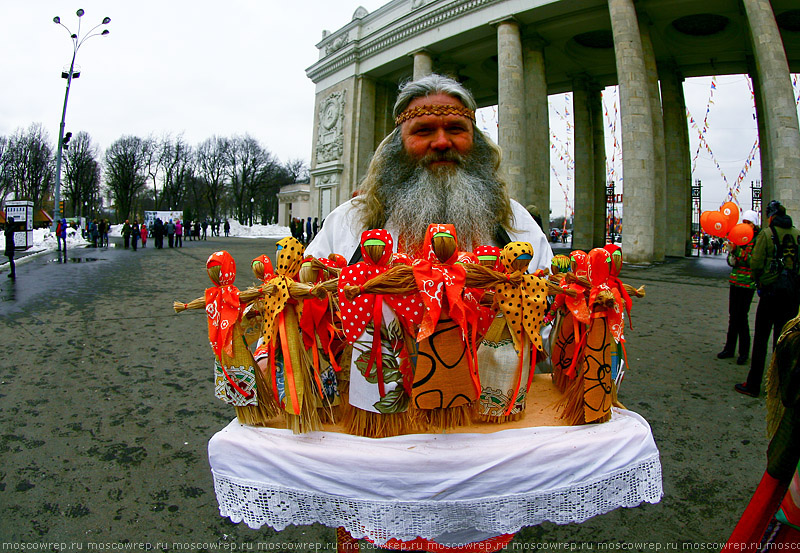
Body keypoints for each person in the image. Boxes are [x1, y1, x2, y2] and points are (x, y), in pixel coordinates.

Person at [306, 73, 552, 272]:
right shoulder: (347, 222)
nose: (442, 142)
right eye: (423, 131)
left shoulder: (516, 222)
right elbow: (300, 312)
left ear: (476, 141)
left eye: (456, 129)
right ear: (397, 146)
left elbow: (550, 321)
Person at [736, 200, 800, 397]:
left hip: (771, 292)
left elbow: (756, 262)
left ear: (771, 216)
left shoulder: (767, 233)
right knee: (784, 340)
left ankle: (754, 384)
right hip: (791, 294)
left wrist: (760, 282)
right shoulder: (797, 233)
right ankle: (781, 385)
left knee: (762, 338)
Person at [718, 210, 760, 365]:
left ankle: (744, 352)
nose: (745, 225)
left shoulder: (757, 240)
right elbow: (732, 261)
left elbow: (753, 261)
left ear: (754, 224)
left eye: (748, 222)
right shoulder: (739, 236)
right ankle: (729, 348)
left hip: (747, 283)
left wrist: (737, 251)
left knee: (742, 317)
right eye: (744, 222)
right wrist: (731, 255)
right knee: (733, 316)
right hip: (735, 281)